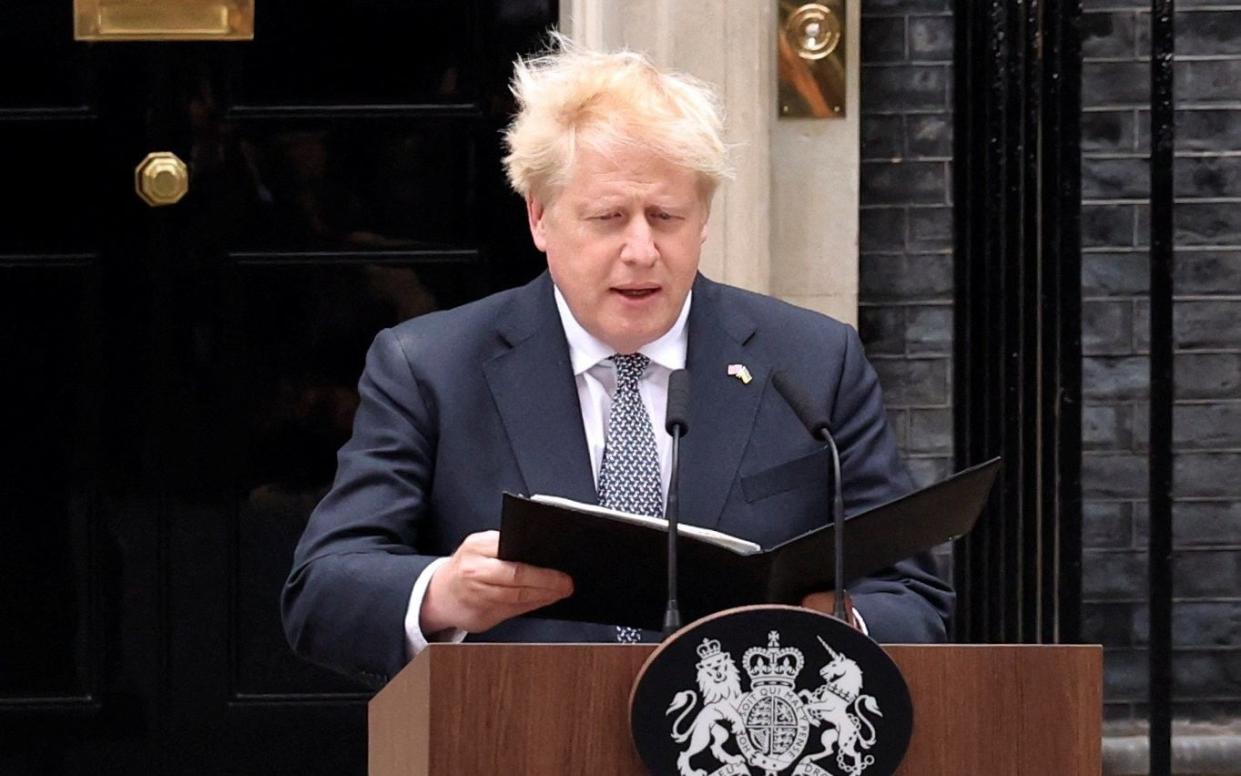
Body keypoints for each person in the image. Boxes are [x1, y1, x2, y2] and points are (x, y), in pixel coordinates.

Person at [282, 38, 952, 688]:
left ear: (703, 220)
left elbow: (911, 594)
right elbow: (323, 589)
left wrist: (837, 624)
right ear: (540, 219)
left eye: (665, 216)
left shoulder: (810, 362)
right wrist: (441, 594)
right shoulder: (430, 367)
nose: (640, 250)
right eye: (607, 217)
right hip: (519, 741)